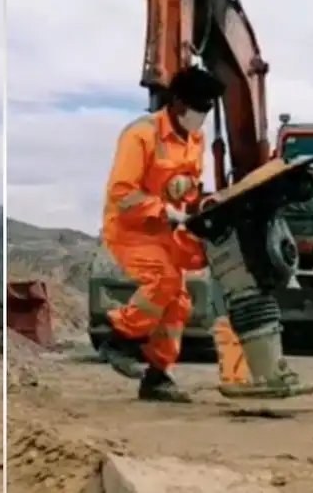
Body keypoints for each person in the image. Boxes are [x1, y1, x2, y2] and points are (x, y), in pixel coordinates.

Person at [96, 65, 227, 403]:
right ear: (178, 104)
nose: (202, 117)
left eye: (207, 110)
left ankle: (157, 375)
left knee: (179, 301)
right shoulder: (140, 135)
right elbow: (122, 194)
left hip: (166, 232)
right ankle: (119, 336)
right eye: (199, 109)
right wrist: (164, 209)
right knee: (164, 281)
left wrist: (197, 201)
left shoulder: (194, 139)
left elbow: (190, 187)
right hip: (131, 229)